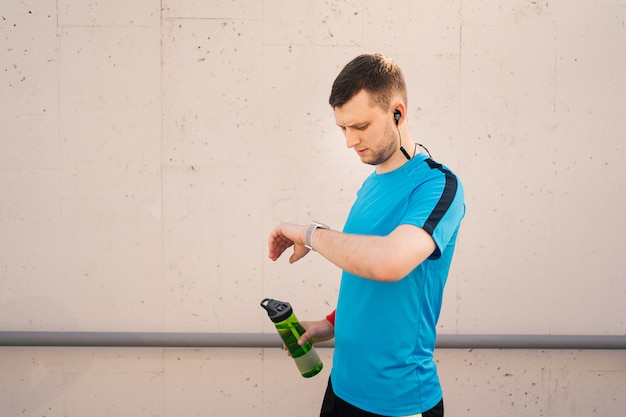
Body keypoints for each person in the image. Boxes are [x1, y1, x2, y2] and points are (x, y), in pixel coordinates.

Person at [268, 53, 465, 417]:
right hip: (341, 387)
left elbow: (387, 263)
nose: (349, 141)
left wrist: (310, 233)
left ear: (397, 113)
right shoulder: (369, 187)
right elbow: (369, 282)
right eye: (343, 128)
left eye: (360, 126)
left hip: (397, 401)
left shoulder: (437, 186)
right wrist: (329, 324)